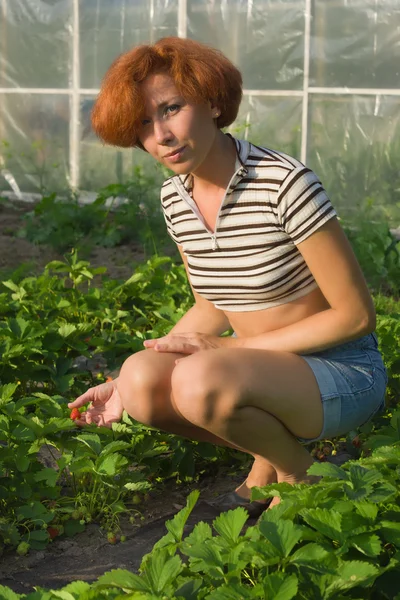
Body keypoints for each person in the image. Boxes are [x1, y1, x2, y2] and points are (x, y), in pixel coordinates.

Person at [68, 37, 388, 517]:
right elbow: (211, 305)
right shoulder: (175, 198)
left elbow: (356, 316)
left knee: (200, 378)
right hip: (251, 373)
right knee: (140, 381)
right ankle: (270, 457)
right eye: (143, 124)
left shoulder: (283, 184)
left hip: (338, 372)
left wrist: (230, 350)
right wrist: (117, 381)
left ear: (213, 102)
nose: (162, 135)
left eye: (171, 108)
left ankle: (304, 476)